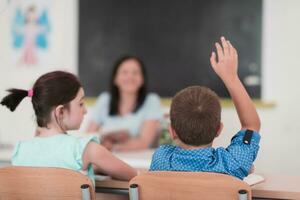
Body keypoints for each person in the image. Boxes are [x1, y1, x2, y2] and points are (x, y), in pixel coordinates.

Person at [150, 37, 261, 180]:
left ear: (172, 131)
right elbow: (251, 125)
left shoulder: (161, 160)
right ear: (219, 129)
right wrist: (231, 78)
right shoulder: (232, 164)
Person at [0, 71, 137, 184]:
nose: (86, 110)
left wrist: (92, 169)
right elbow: (134, 176)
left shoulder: (20, 151)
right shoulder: (86, 149)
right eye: (81, 103)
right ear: (60, 112)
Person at [87, 56, 162, 151]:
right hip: (105, 158)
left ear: (142, 79)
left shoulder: (151, 101)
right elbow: (88, 136)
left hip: (138, 161)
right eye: (125, 72)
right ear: (115, 79)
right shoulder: (104, 99)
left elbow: (144, 142)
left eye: (135, 73)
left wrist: (112, 147)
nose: (130, 77)